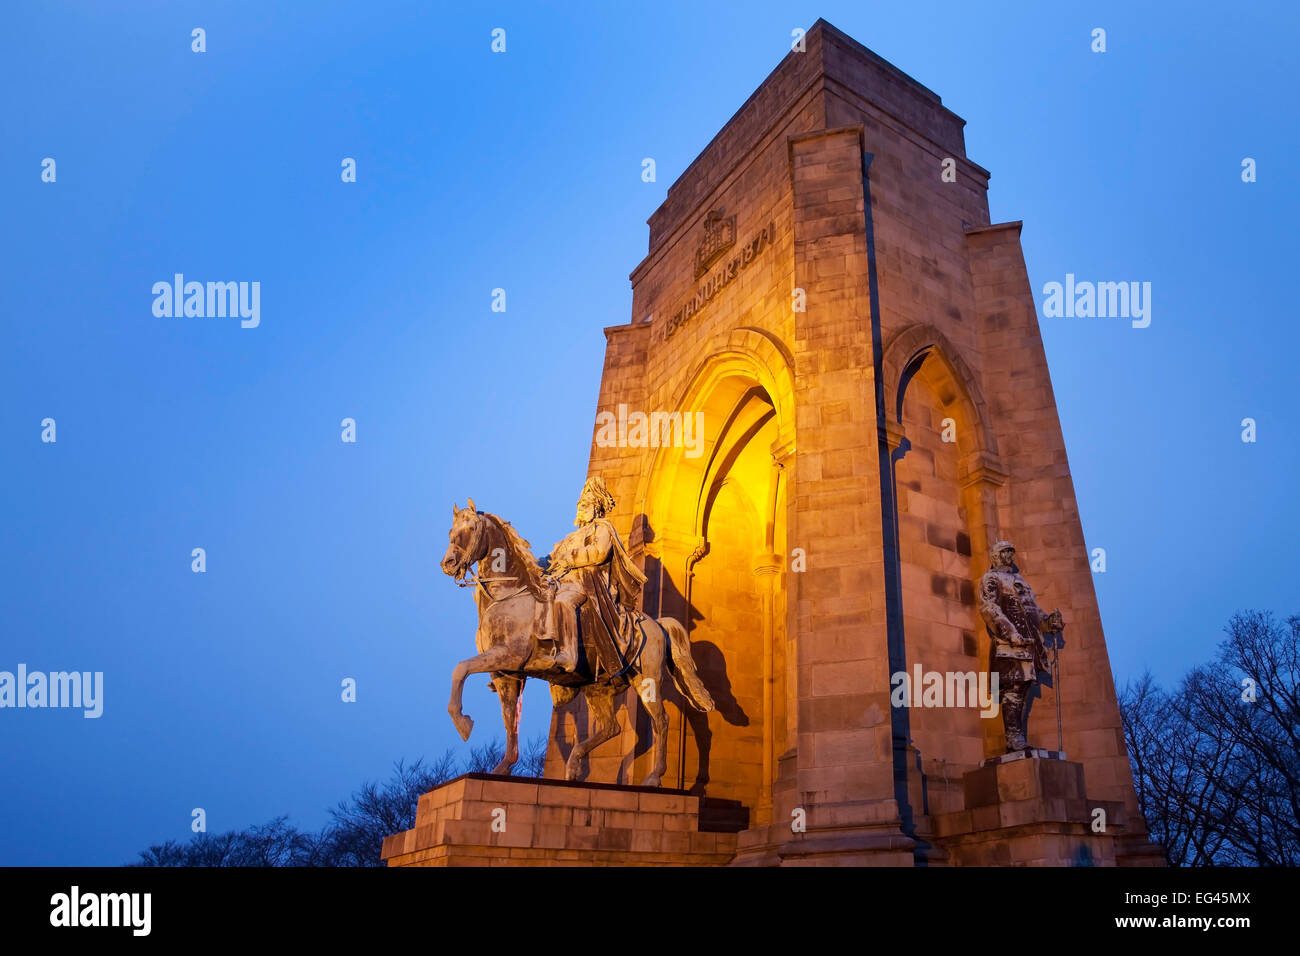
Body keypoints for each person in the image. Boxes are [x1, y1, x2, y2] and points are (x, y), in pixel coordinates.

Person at [539, 477, 646, 675]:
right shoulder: (572, 537)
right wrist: (531, 564)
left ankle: (568, 654)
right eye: (580, 505)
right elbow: (550, 559)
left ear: (597, 507)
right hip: (562, 580)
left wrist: (570, 559)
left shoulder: (603, 528)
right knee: (538, 600)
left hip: (585, 581)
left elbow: (599, 553)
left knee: (563, 601)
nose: (581, 509)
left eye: (586, 505)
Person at [978, 541, 1063, 752]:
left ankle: (1017, 736)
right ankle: (1013, 737)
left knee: (1023, 687)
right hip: (1009, 643)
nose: (1009, 556)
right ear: (996, 556)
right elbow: (989, 608)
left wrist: (1048, 621)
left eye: (1010, 552)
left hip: (1029, 644)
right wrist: (1010, 633)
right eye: (1005, 552)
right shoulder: (991, 578)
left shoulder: (1020, 581)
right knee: (1014, 688)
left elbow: (1032, 611)